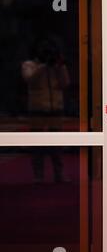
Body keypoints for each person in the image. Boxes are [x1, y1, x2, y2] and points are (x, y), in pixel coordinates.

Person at [22, 38, 70, 183]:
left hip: (55, 109)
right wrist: (43, 66)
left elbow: (65, 83)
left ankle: (59, 174)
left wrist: (59, 66)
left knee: (57, 146)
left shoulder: (57, 66)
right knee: (37, 146)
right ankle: (38, 175)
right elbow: (29, 79)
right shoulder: (29, 65)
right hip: (37, 109)